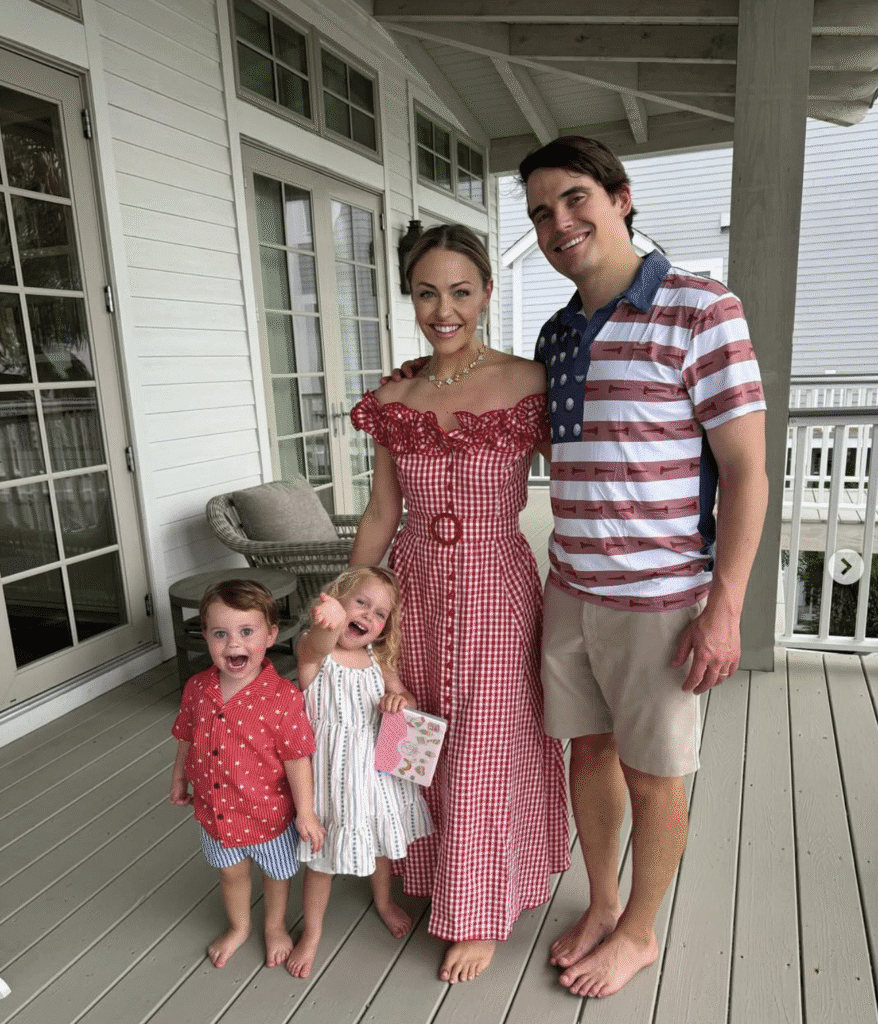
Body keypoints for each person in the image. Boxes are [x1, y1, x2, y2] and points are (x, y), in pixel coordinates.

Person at [517, 136, 769, 998]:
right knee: (585, 754)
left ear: (621, 198)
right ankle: (603, 901)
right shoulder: (556, 334)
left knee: (652, 774)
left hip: (659, 599)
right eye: (542, 213)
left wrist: (725, 605)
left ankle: (641, 932)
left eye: (576, 198)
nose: (560, 222)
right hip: (570, 590)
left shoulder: (701, 308)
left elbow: (747, 473)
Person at [348, 224, 570, 985]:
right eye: (426, 292)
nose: (443, 309)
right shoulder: (392, 396)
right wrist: (353, 605)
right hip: (411, 587)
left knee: (483, 743)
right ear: (410, 297)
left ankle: (477, 909)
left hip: (493, 585)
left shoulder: (529, 382)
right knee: (410, 734)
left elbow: (580, 483)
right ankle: (428, 870)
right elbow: (381, 512)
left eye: (460, 291)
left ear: (486, 293)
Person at [169, 579, 325, 969]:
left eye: (246, 632)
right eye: (220, 633)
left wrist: (305, 812)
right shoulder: (198, 688)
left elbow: (297, 758)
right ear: (205, 635)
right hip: (216, 812)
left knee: (275, 875)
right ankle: (239, 926)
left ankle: (274, 926)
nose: (233, 644)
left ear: (271, 635)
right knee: (232, 875)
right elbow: (186, 733)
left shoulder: (282, 698)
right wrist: (178, 777)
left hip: (267, 814)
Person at [286, 566, 434, 979]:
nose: (368, 616)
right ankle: (312, 933)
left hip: (376, 776)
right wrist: (327, 622)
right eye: (361, 603)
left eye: (380, 614)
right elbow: (318, 643)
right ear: (336, 601)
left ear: (385, 629)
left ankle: (383, 901)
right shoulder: (316, 655)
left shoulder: (376, 659)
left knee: (381, 844)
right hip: (332, 780)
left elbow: (405, 695)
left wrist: (397, 700)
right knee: (322, 859)